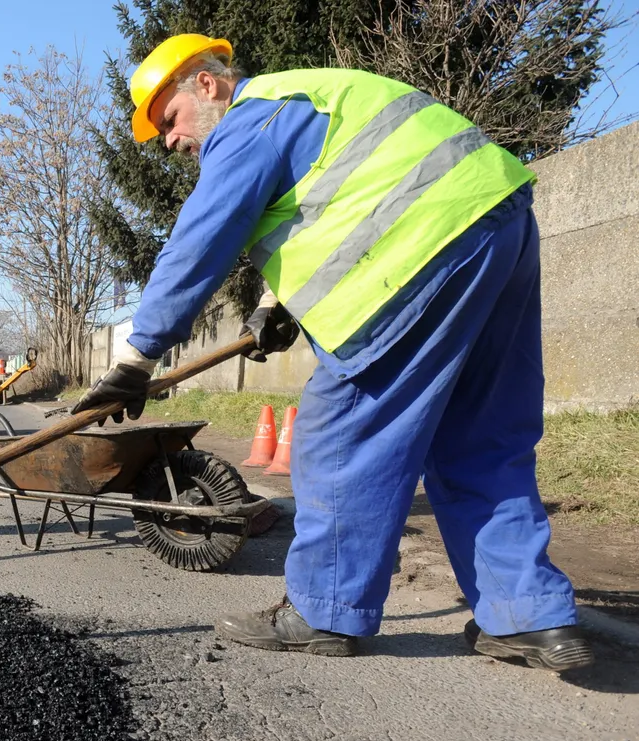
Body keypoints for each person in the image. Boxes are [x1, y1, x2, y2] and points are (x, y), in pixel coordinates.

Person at [72, 35, 592, 670]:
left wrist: (136, 360)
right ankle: (528, 617)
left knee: (339, 435)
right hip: (497, 223)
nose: (171, 142)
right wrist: (275, 304)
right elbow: (341, 198)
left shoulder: (250, 116)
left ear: (205, 84)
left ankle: (324, 610)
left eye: (169, 119)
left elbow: (198, 242)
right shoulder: (312, 98)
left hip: (419, 251)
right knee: (479, 439)